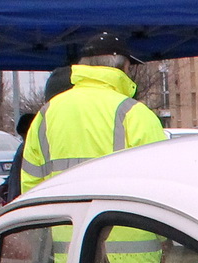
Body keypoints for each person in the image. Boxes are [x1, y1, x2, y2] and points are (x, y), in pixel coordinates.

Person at [20, 32, 167, 193]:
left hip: (61, 216)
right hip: (115, 216)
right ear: (123, 66)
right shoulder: (135, 114)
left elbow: (30, 185)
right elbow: (160, 182)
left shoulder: (47, 114)